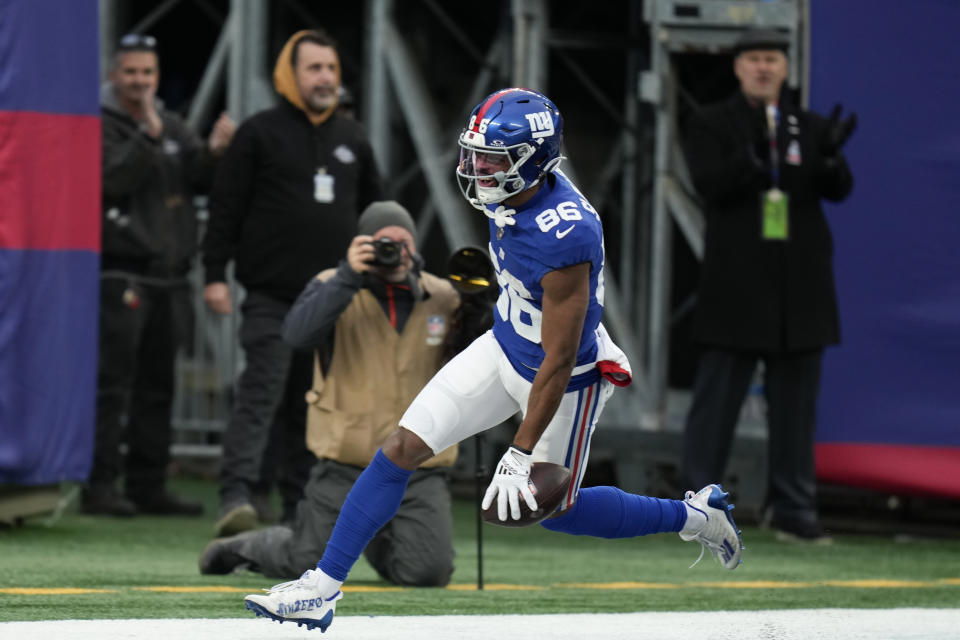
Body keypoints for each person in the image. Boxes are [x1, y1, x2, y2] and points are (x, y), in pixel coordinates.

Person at [240, 88, 744, 632]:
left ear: (532, 161)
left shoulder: (567, 234)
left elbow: (560, 354)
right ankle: (321, 588)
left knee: (556, 511)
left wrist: (518, 452)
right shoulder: (514, 192)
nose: (477, 168)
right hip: (504, 345)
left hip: (564, 378)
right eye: (474, 154)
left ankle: (696, 516)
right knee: (401, 447)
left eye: (492, 159)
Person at [199, 201, 478, 585]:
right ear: (362, 243)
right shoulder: (333, 283)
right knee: (305, 561)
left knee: (427, 573)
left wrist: (481, 302)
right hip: (347, 458)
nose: (395, 251)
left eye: (403, 242)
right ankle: (243, 547)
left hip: (418, 464)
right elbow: (296, 335)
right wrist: (349, 275)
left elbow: (477, 351)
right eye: (384, 242)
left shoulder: (444, 295)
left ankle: (376, 534)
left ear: (416, 246)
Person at [201, 29, 383, 536]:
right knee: (260, 395)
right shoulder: (258, 133)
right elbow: (225, 209)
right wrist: (214, 275)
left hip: (332, 303)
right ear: (290, 75)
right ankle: (236, 497)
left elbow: (376, 211)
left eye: (331, 68)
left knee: (313, 406)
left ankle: (298, 508)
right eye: (314, 69)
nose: (325, 78)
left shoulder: (354, 139)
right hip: (272, 298)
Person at [679, 28, 856, 543]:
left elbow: (838, 189)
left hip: (800, 290)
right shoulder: (711, 123)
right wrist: (752, 158)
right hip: (736, 288)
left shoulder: (809, 125)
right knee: (716, 407)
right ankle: (696, 510)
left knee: (797, 412)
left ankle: (794, 510)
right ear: (738, 67)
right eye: (754, 58)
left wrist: (831, 160)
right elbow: (708, 184)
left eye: (772, 59)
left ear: (785, 67)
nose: (763, 67)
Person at [85, 33, 235, 517]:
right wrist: (146, 138)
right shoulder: (102, 125)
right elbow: (109, 183)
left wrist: (213, 152)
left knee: (158, 387)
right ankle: (99, 486)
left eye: (147, 73)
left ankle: (148, 485)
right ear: (114, 75)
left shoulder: (171, 123)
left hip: (170, 277)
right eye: (131, 72)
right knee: (113, 386)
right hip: (121, 274)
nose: (140, 81)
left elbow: (198, 178)